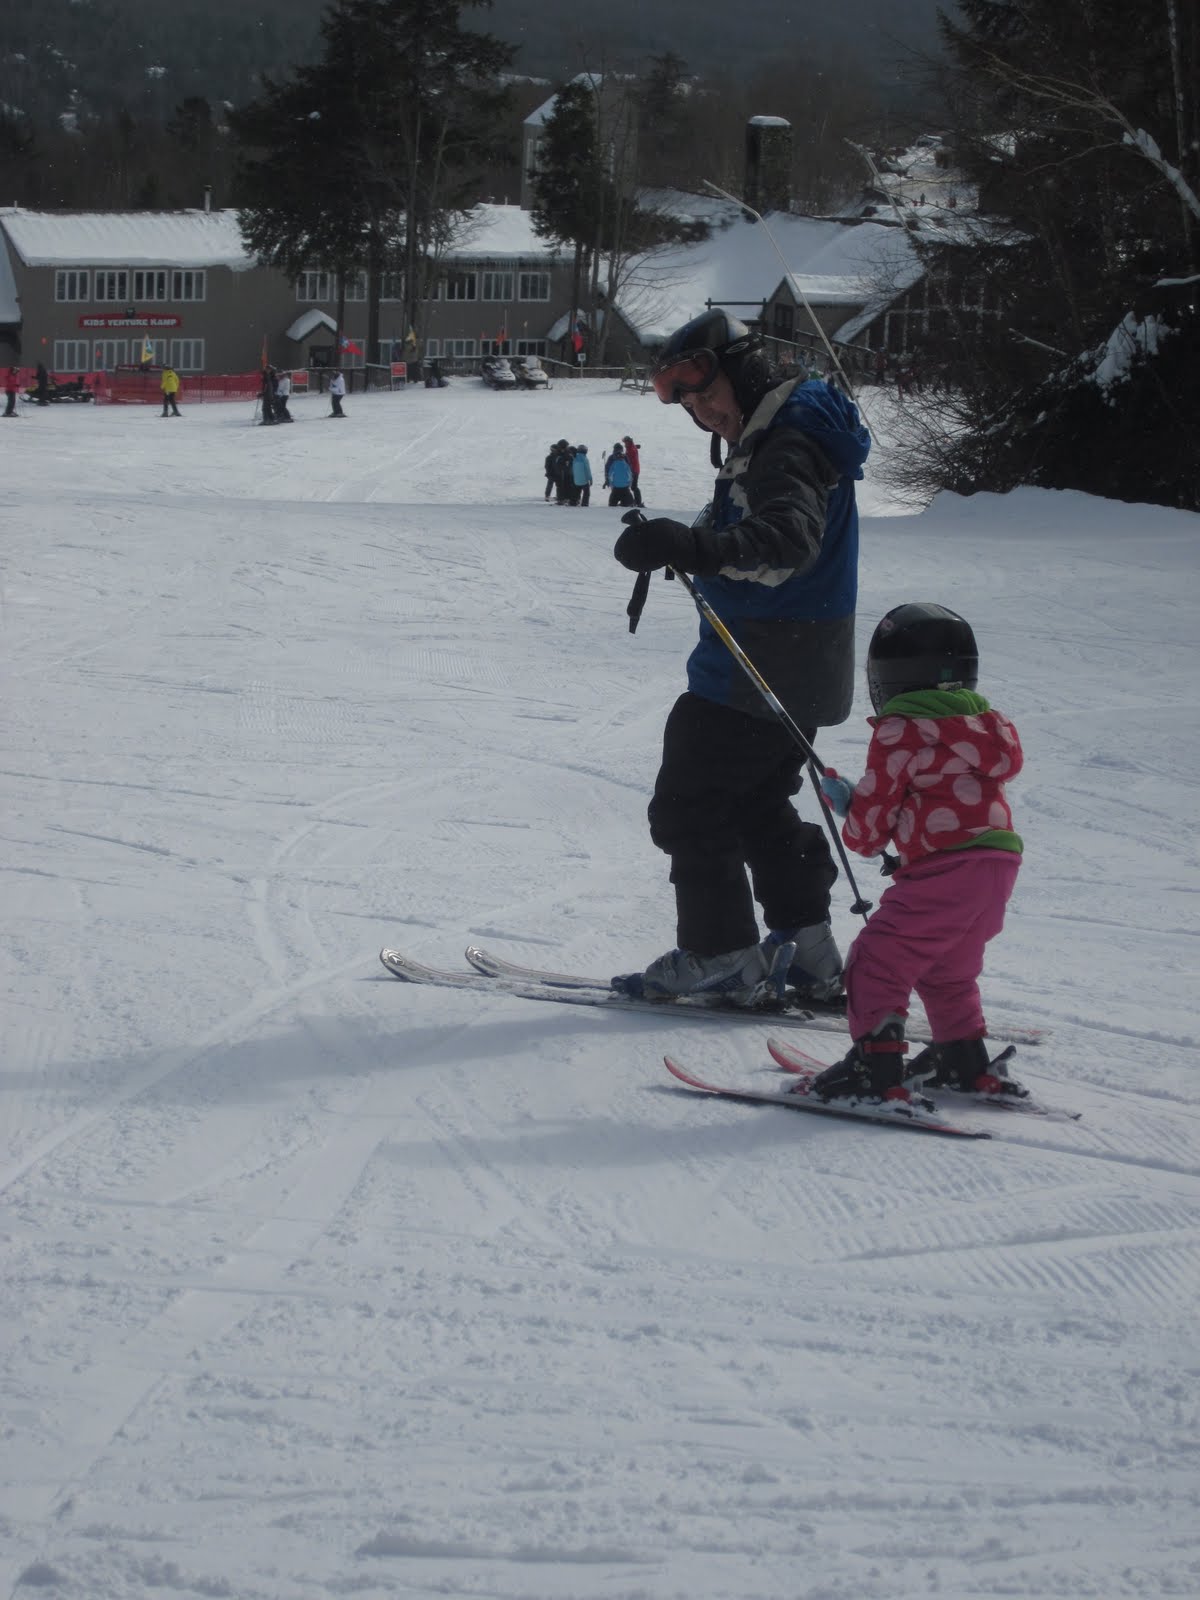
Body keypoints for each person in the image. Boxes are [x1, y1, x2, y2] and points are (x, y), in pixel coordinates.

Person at [611, 308, 870, 1006]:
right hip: (800, 663)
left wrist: (696, 547)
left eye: (704, 387)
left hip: (757, 665)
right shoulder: (786, 432)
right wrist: (691, 541)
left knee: (691, 805)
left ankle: (720, 953)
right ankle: (806, 948)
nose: (701, 409)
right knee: (756, 804)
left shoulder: (786, 441)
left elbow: (786, 542)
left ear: (744, 368)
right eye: (684, 400)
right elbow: (760, 529)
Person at [807, 603, 1024, 1104]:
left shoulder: (900, 729)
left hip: (944, 872)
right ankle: (962, 1058)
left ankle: (875, 1067)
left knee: (876, 960)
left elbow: (868, 834)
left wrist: (849, 807)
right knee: (946, 969)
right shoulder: (985, 726)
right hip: (997, 869)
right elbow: (936, 790)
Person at [604, 441, 635, 506]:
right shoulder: (625, 457)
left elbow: (608, 471)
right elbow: (630, 470)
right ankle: (626, 503)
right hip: (625, 485)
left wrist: (608, 481)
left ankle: (614, 504)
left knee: (613, 502)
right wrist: (630, 482)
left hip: (615, 485)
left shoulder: (611, 457)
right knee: (628, 501)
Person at [622, 435, 644, 505]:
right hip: (634, 469)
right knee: (632, 486)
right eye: (624, 442)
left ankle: (638, 502)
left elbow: (630, 460)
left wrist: (624, 457)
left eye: (625, 442)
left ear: (628, 442)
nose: (624, 444)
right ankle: (636, 501)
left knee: (633, 487)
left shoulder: (631, 450)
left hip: (634, 470)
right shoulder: (630, 447)